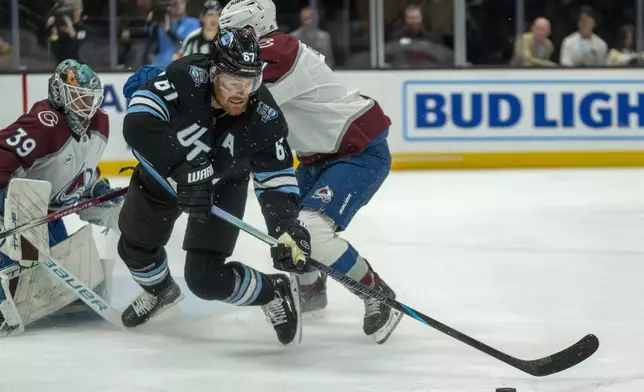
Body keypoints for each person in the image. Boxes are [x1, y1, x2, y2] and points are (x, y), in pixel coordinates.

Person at [219, 0, 403, 344]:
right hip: (317, 158)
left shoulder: (276, 49)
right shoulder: (265, 50)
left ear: (251, 27)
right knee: (288, 229)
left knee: (313, 233)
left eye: (230, 31)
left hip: (357, 150)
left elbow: (237, 104)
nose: (224, 40)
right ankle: (312, 286)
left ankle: (377, 294)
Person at [118, 27, 309, 345]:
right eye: (233, 82)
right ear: (213, 73)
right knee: (135, 250)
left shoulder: (265, 117)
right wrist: (181, 166)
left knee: (204, 280)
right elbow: (138, 120)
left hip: (222, 184)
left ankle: (272, 291)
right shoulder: (184, 77)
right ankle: (160, 291)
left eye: (249, 82)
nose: (241, 91)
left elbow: (276, 179)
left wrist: (286, 226)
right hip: (164, 177)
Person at [0, 59, 122, 336]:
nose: (87, 107)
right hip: (18, 207)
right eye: (79, 99)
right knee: (22, 257)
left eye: (91, 100)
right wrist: (7, 204)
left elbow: (78, 174)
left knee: (53, 268)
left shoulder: (99, 124)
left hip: (44, 211)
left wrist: (94, 189)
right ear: (59, 94)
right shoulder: (45, 123)